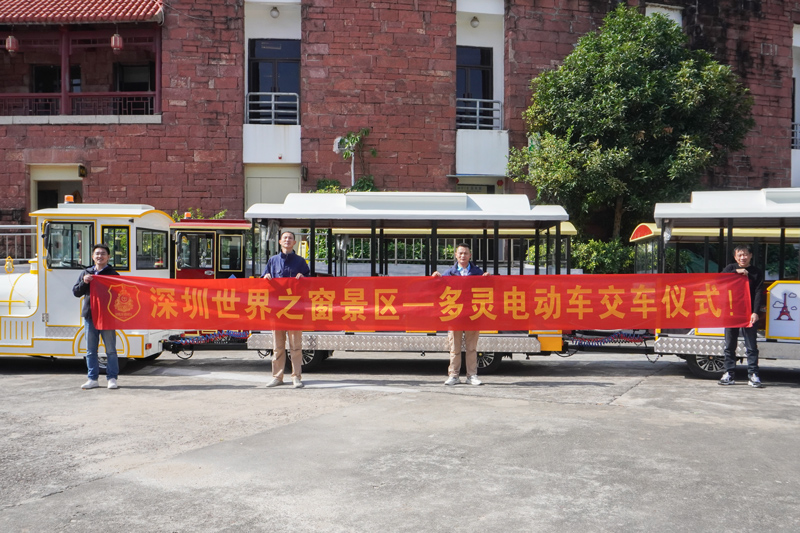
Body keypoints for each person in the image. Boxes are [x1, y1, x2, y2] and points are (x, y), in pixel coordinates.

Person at [432, 243, 490, 386]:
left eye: (466, 253)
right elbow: (437, 289)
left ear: (470, 256)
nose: (463, 256)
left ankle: (472, 376)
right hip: (454, 315)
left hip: (472, 315)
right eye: (460, 253)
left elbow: (488, 289)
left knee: (471, 348)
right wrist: (435, 278)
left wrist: (488, 278)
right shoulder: (449, 273)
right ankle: (454, 375)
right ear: (456, 255)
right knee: (455, 348)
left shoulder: (477, 273)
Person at [262, 230, 310, 389]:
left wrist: (303, 279)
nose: (287, 240)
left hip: (295, 310)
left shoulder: (301, 262)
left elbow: (310, 284)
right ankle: (277, 377)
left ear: (294, 243)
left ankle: (296, 377)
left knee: (296, 346)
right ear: (280, 242)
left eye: (290, 238)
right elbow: (263, 280)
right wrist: (266, 278)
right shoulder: (273, 261)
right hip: (277, 311)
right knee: (278, 346)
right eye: (285, 238)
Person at [72, 243, 120, 390]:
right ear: (93, 257)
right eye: (97, 254)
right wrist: (84, 282)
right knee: (90, 350)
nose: (100, 256)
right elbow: (76, 292)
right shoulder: (87, 273)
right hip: (90, 315)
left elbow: (120, 294)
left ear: (108, 257)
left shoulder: (113, 274)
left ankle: (112, 378)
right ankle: (92, 378)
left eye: (103, 254)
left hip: (107, 317)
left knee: (110, 349)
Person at [719, 244, 765, 388]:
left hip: (749, 313)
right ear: (735, 257)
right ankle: (729, 373)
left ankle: (753, 375)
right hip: (731, 312)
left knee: (751, 346)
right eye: (739, 255)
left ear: (750, 255)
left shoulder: (757, 272)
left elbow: (758, 293)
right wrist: (736, 273)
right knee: (729, 345)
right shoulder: (730, 269)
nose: (742, 257)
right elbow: (719, 280)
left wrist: (755, 312)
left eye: (745, 254)